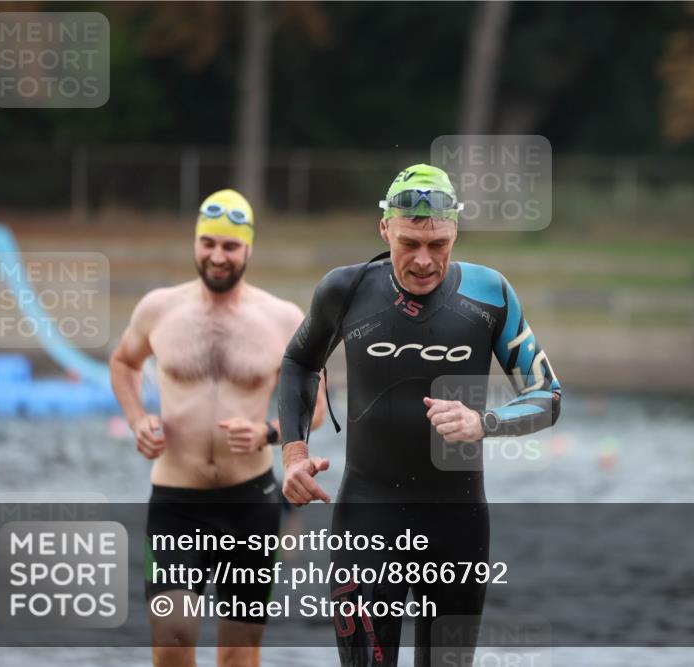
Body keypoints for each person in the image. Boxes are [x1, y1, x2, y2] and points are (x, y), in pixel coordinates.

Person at [277, 164, 562, 666]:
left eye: (438, 244)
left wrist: (483, 423)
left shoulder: (490, 293)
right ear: (384, 229)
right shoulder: (345, 290)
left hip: (457, 524)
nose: (425, 261)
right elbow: (299, 362)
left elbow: (548, 395)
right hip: (367, 518)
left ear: (456, 232)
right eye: (409, 243)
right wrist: (294, 453)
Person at [110, 188, 325, 667]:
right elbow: (124, 362)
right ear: (195, 243)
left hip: (251, 505)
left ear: (248, 248)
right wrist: (137, 419)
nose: (218, 255)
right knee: (171, 639)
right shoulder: (158, 309)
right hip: (175, 504)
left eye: (230, 246)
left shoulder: (282, 318)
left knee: (238, 654)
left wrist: (268, 433)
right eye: (208, 243)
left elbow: (316, 406)